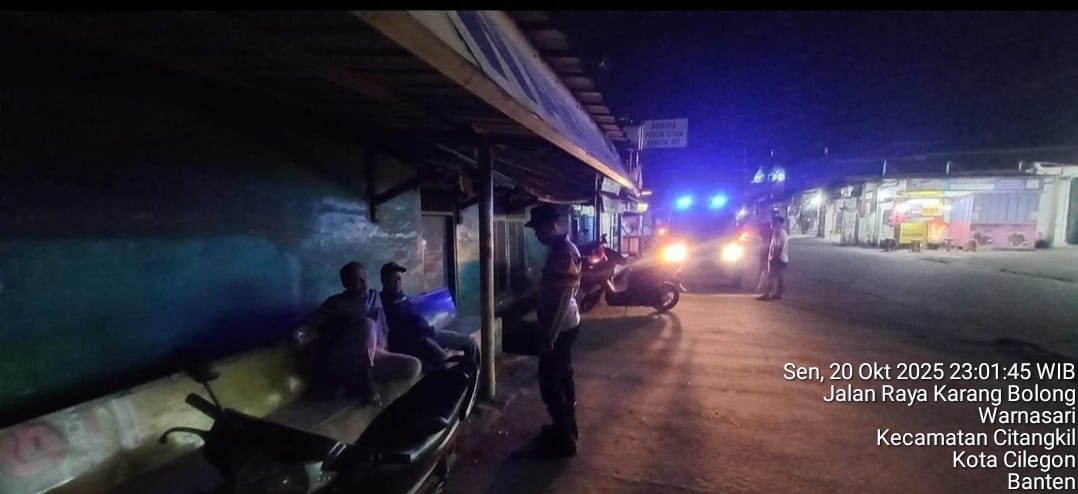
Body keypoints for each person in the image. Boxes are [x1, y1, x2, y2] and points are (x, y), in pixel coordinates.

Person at [293, 261, 421, 405]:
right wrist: (301, 334)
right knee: (368, 324)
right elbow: (313, 323)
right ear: (346, 284)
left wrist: (386, 351)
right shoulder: (337, 302)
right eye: (357, 280)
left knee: (414, 366)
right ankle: (366, 383)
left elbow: (384, 327)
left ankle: (354, 382)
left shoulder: (374, 296)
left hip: (375, 354)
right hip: (348, 356)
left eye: (364, 278)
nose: (364, 283)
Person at [524, 203, 582, 457]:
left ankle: (565, 441)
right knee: (563, 376)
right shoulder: (560, 249)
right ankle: (567, 429)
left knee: (550, 382)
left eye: (539, 229)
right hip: (565, 325)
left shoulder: (563, 253)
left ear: (552, 226)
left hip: (561, 326)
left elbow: (564, 297)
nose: (537, 235)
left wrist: (551, 335)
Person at [379, 261, 479, 371]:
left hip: (429, 331)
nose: (397, 282)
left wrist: (422, 299)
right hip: (418, 340)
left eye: (399, 278)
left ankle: (476, 374)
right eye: (393, 279)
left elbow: (410, 306)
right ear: (384, 280)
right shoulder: (381, 301)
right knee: (445, 361)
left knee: (469, 342)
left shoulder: (401, 296)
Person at [757, 216, 789, 301]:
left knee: (771, 276)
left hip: (777, 259)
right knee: (779, 277)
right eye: (772, 221)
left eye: (774, 222)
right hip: (782, 259)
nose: (772, 223)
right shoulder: (780, 232)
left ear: (779, 223)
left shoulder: (779, 233)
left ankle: (768, 294)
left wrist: (773, 259)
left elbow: (778, 247)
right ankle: (779, 294)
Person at [752, 220, 773, 293]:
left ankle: (761, 287)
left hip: (767, 255)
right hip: (765, 255)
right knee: (764, 271)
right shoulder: (769, 234)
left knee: (765, 272)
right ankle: (761, 287)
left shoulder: (768, 235)